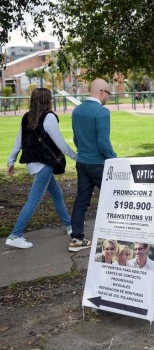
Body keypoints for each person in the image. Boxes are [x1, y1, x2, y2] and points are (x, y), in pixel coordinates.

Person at [5, 88, 77, 249]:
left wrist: (11, 161)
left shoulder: (27, 117)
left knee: (57, 194)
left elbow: (19, 142)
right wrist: (76, 157)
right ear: (48, 100)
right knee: (33, 200)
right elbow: (60, 143)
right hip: (44, 165)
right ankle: (15, 235)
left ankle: (70, 226)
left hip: (33, 164)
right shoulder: (49, 117)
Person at [69, 78, 117, 252]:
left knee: (81, 201)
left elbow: (76, 139)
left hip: (82, 162)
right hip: (98, 164)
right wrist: (114, 158)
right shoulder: (102, 112)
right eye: (109, 94)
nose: (109, 98)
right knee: (112, 199)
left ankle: (76, 238)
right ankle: (116, 236)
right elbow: (103, 142)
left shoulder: (77, 110)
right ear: (102, 92)